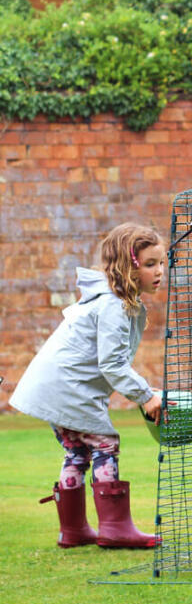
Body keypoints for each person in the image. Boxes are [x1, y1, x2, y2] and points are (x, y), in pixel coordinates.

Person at [10, 223, 166, 549]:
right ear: (128, 266)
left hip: (55, 388)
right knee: (105, 443)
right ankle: (115, 529)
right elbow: (112, 364)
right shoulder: (112, 304)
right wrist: (146, 395)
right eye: (151, 264)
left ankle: (74, 530)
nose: (160, 271)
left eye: (162, 262)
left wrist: (145, 391)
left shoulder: (113, 300)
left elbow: (111, 360)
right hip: (65, 390)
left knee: (77, 450)